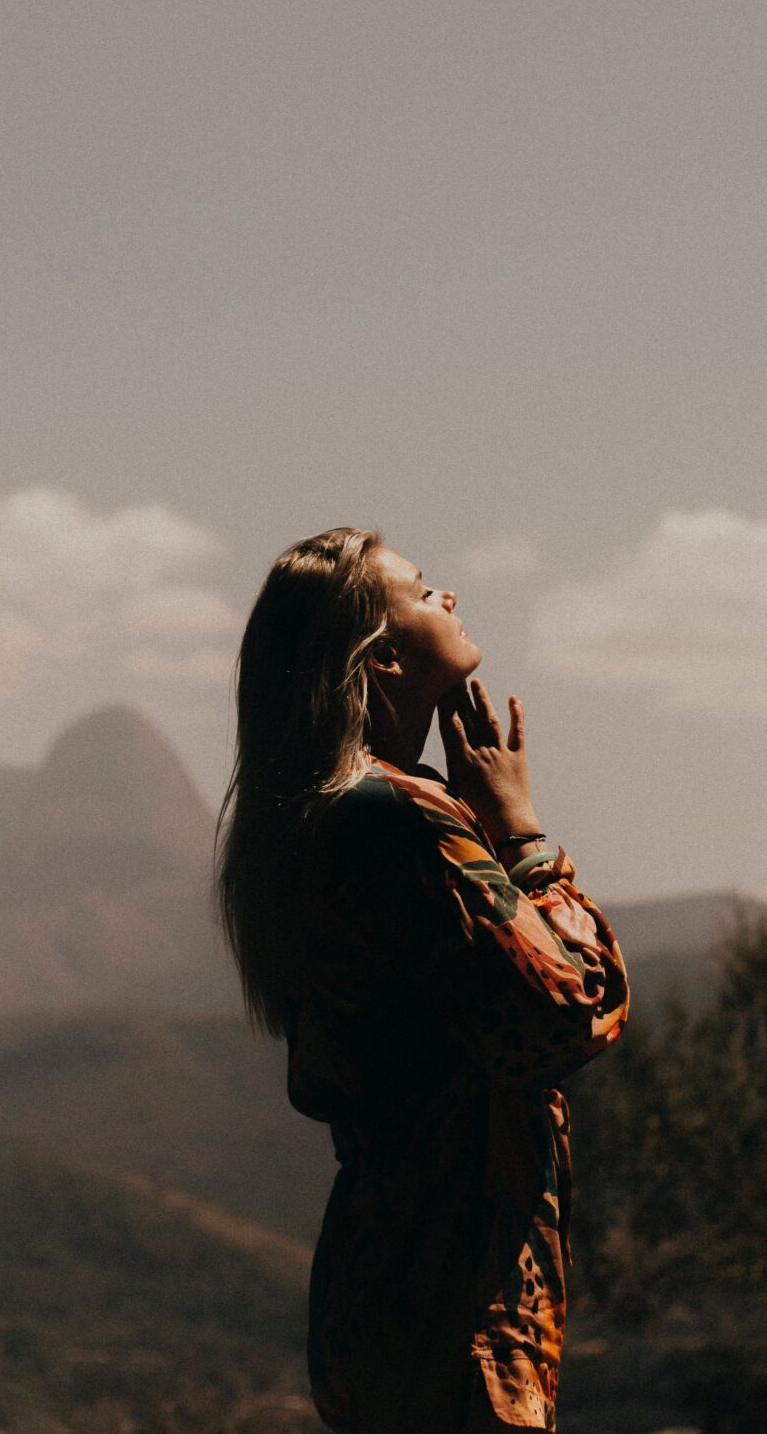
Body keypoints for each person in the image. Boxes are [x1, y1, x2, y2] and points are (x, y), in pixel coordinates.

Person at [216, 526, 629, 1433]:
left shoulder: (324, 824)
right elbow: (573, 1011)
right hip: (454, 1298)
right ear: (384, 654)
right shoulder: (396, 819)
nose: (448, 595)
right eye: (421, 589)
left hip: (386, 1287)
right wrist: (523, 835)